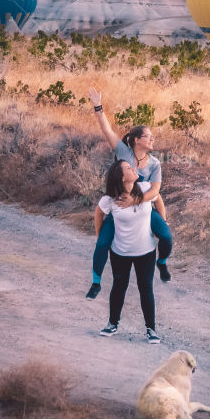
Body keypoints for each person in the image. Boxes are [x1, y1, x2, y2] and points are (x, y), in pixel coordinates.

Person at [86, 87, 173, 295]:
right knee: (102, 244)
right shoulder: (123, 151)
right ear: (136, 140)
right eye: (148, 136)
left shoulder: (154, 164)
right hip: (119, 208)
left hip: (143, 208)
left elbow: (156, 192)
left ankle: (162, 262)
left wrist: (137, 202)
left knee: (167, 237)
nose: (152, 139)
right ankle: (96, 282)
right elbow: (107, 130)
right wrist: (98, 106)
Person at [97, 159, 161, 343]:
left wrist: (161, 226)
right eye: (127, 168)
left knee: (145, 288)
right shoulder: (110, 199)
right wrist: (101, 237)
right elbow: (98, 213)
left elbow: (158, 200)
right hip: (120, 251)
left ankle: (151, 330)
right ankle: (112, 324)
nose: (133, 169)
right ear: (121, 177)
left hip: (146, 250)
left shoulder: (145, 187)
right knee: (119, 286)